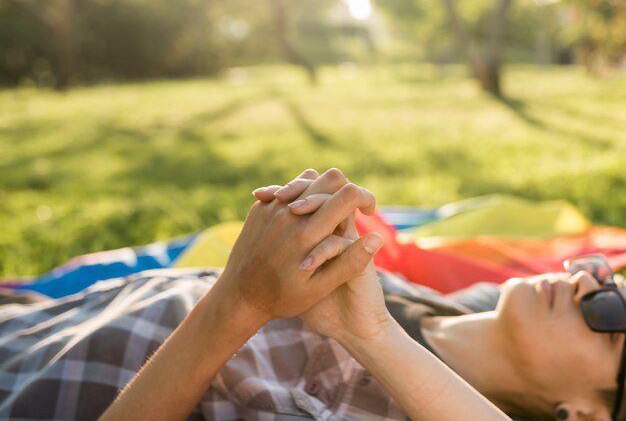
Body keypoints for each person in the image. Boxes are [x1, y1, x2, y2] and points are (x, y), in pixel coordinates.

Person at [0, 169, 622, 421]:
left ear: (585, 414)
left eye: (611, 314)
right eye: (607, 277)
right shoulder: (457, 303)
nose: (589, 280)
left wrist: (237, 302)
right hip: (43, 322)